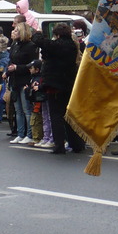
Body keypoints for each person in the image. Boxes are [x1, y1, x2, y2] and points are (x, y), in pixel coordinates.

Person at [31, 23, 85, 154]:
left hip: (54, 84)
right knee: (68, 116)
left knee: (56, 115)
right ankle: (76, 144)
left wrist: (38, 31)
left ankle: (59, 144)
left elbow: (39, 41)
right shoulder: (72, 46)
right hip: (68, 83)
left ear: (57, 34)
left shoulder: (55, 45)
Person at [5, 23, 38, 145]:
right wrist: (7, 72)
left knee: (26, 109)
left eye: (17, 30)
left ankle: (29, 134)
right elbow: (11, 61)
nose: (14, 32)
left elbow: (33, 64)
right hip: (14, 80)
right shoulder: (14, 45)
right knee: (18, 110)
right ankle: (20, 133)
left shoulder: (31, 46)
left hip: (25, 80)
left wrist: (17, 67)